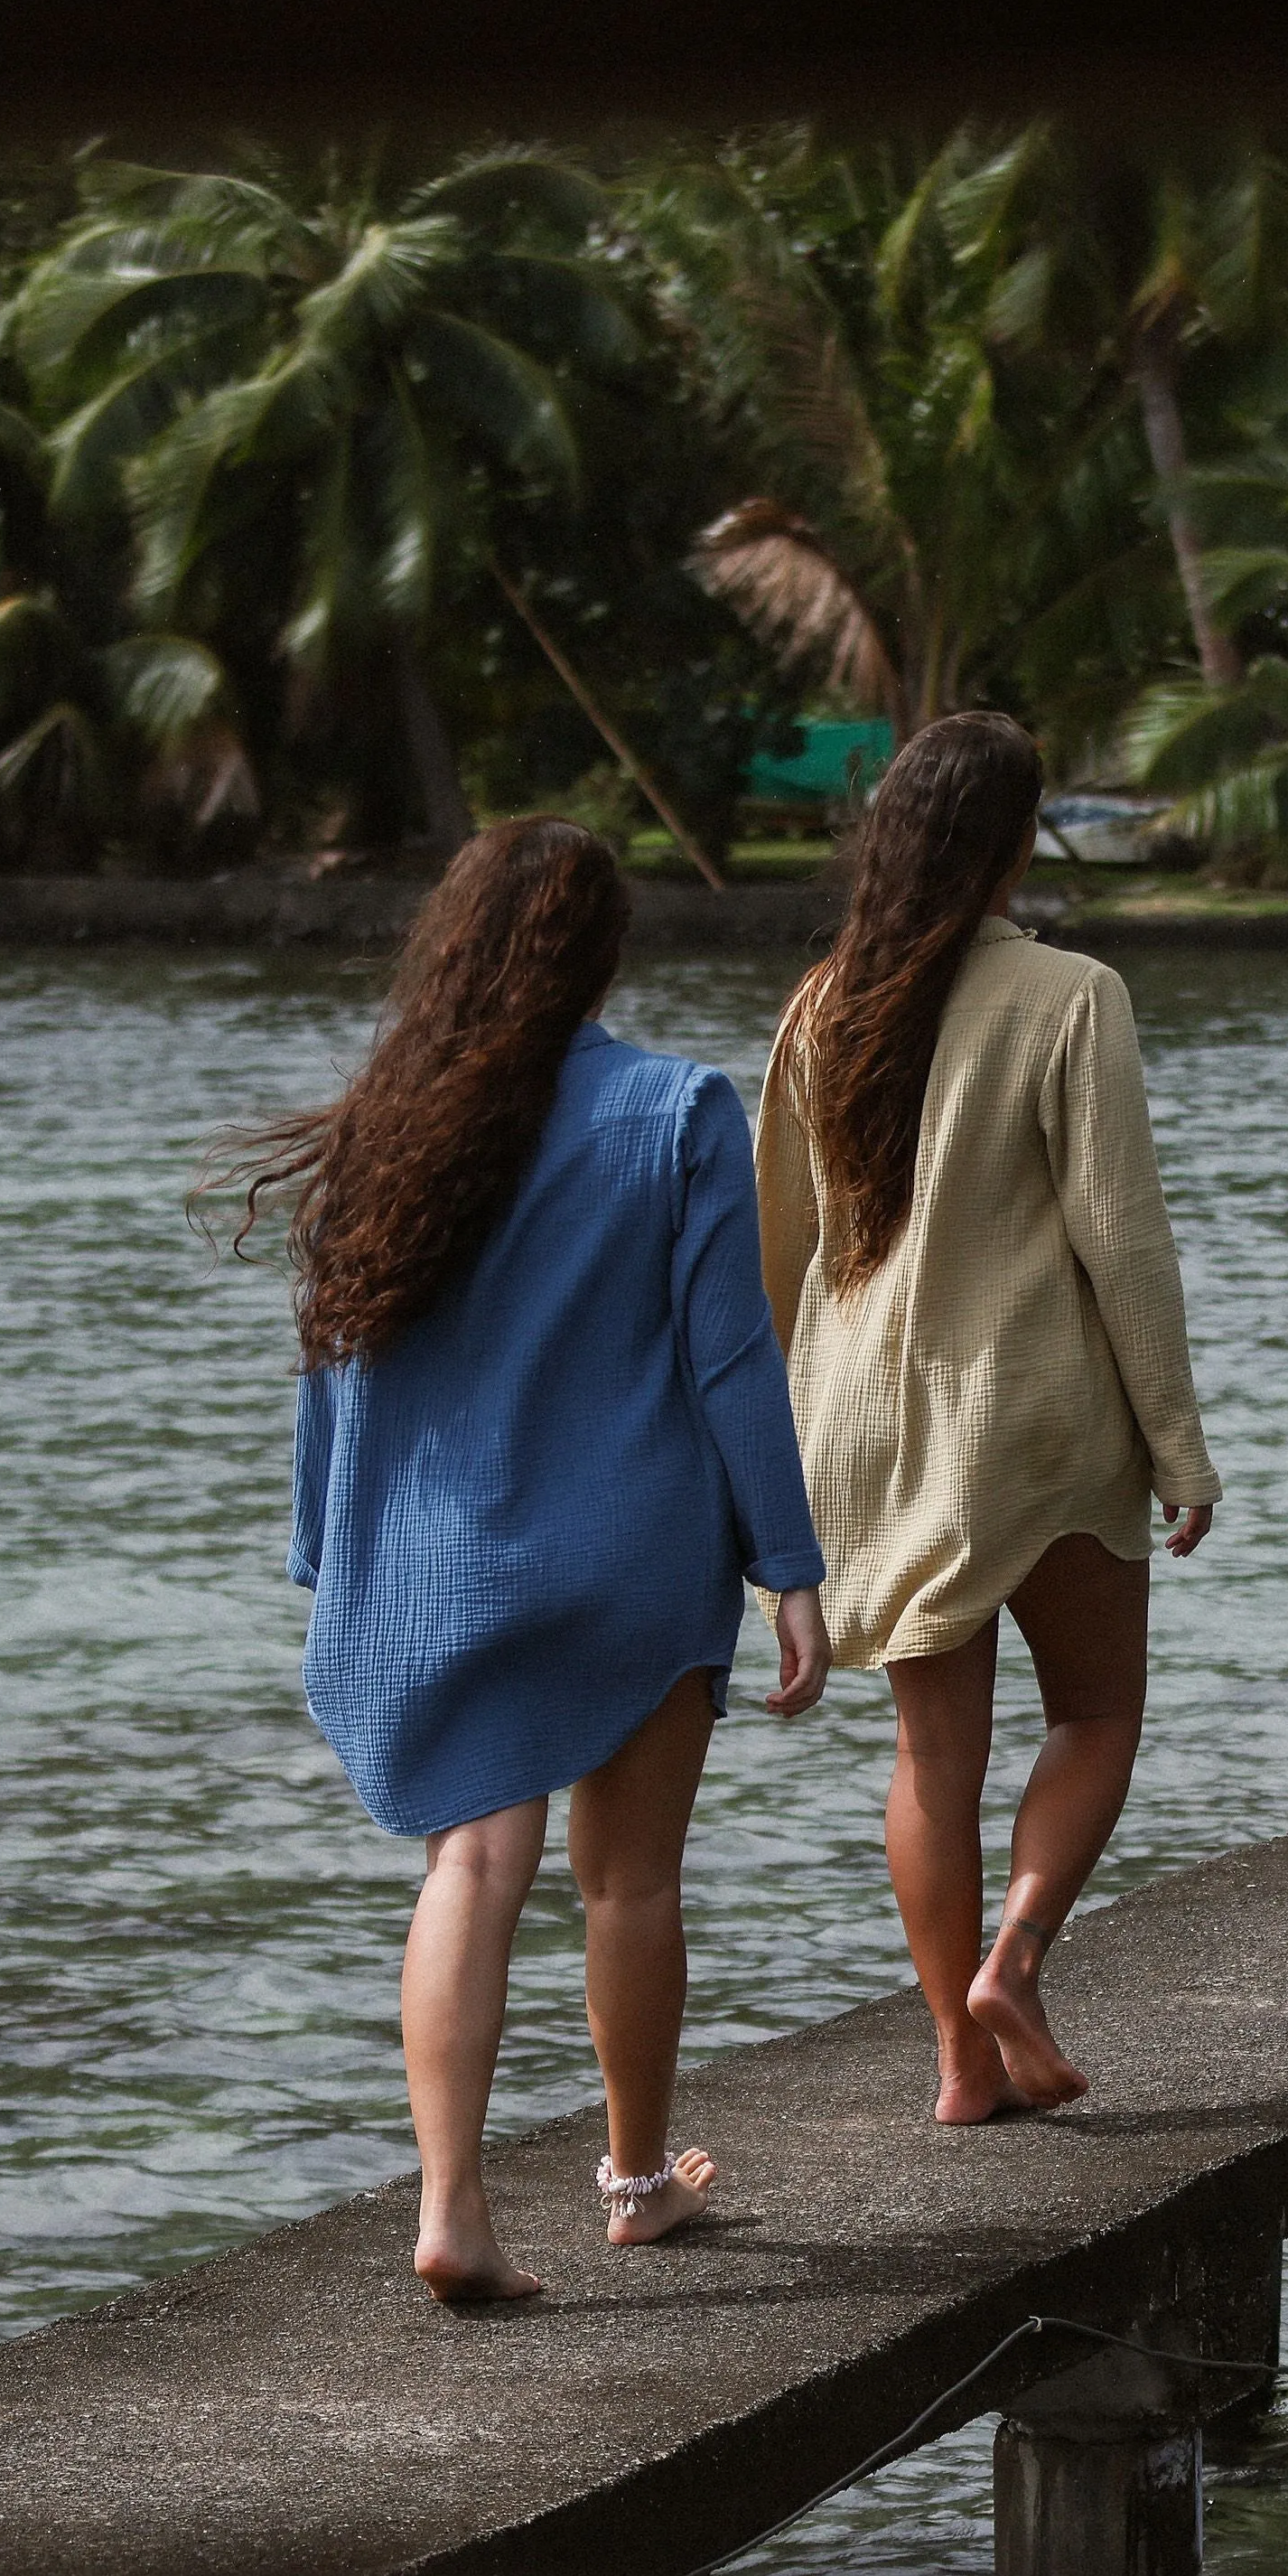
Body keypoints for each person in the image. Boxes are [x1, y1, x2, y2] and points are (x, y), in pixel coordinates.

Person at [238, 817, 828, 2305]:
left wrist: (327, 1543)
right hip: (630, 1561)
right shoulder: (678, 1109)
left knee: (475, 1862)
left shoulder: (389, 1121)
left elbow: (335, 1361)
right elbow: (734, 1361)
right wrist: (790, 1563)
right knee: (628, 1884)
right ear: (600, 955)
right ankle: (636, 2182)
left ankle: (452, 2207)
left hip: (446, 1573)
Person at [755, 712, 1219, 2126]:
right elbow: (1122, 1243)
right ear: (1017, 841)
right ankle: (1015, 1960)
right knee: (1095, 1709)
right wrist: (1180, 1444)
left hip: (861, 1437)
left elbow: (774, 1252)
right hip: (1032, 1420)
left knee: (929, 1759)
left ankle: (959, 2070)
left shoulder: (820, 1003)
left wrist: (760, 1480)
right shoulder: (1073, 995)